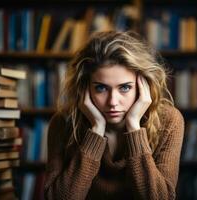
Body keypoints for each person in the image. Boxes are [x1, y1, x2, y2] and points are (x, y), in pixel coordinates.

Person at [44, 31, 184, 200]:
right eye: (101, 88)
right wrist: (96, 130)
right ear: (85, 88)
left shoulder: (168, 121)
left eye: (125, 87)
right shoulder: (63, 123)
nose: (113, 102)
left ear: (143, 86)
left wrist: (134, 127)